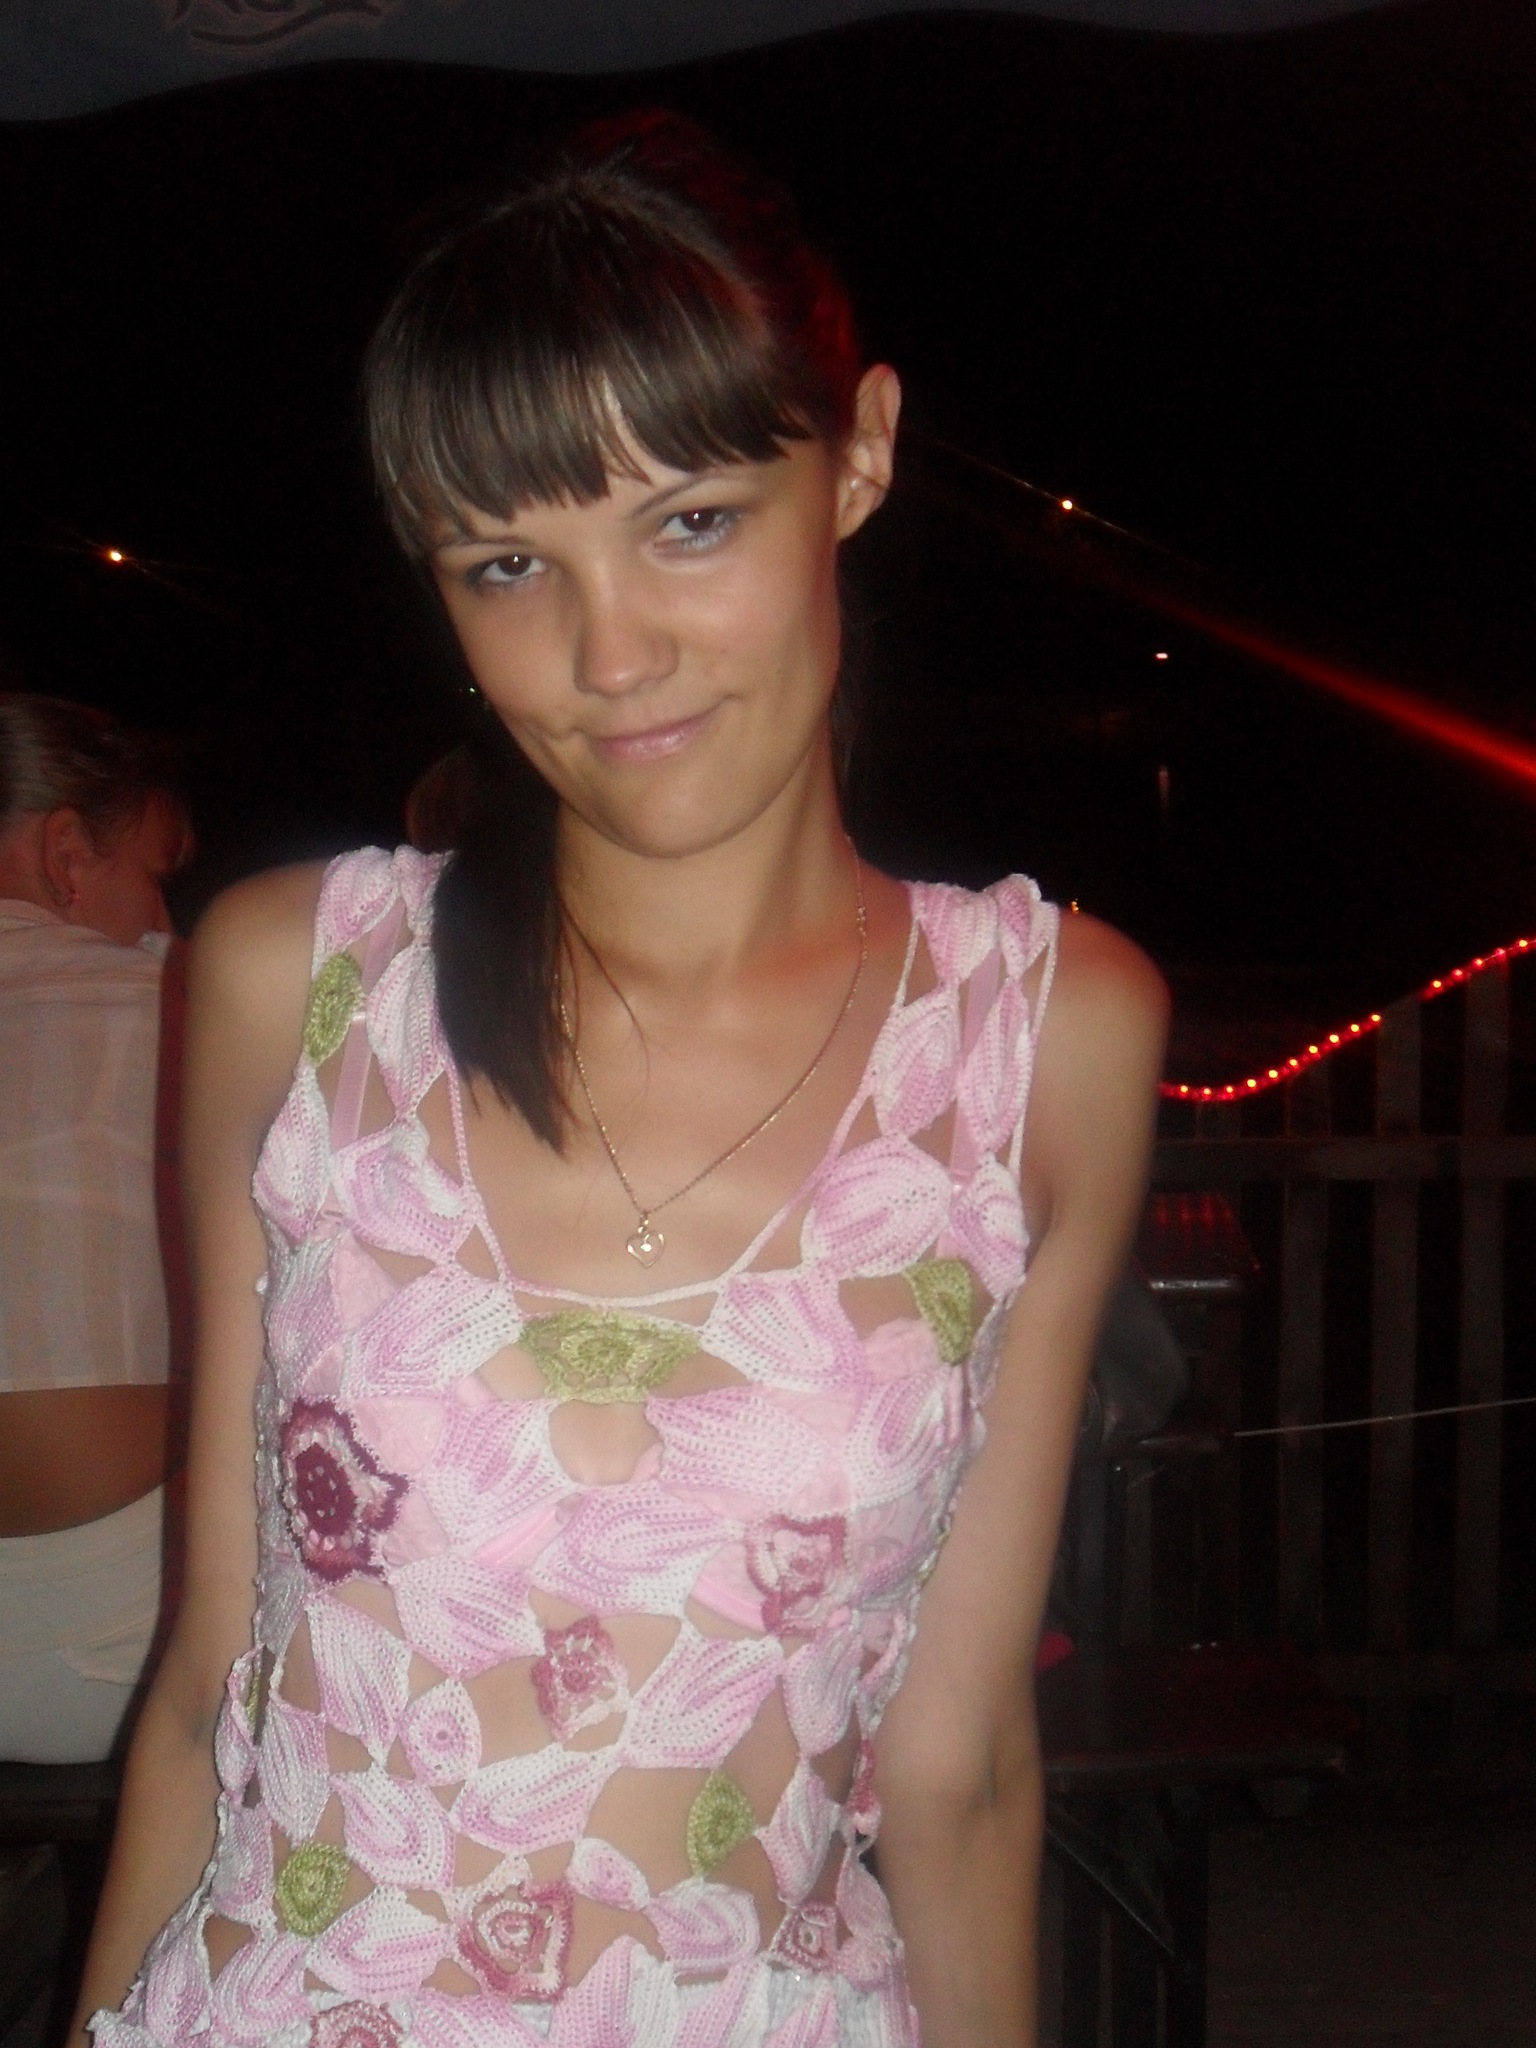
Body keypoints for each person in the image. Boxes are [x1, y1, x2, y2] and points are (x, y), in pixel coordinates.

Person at [77, 113, 1167, 2048]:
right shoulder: (299, 982)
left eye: (689, 520)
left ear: (861, 454)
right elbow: (204, 1687)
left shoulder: (1040, 1033)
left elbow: (960, 1763)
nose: (609, 654)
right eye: (508, 561)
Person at [0, 694, 191, 1765]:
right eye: (156, 873)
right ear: (65, 853)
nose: (163, 911)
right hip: (130, 1642)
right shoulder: (173, 999)